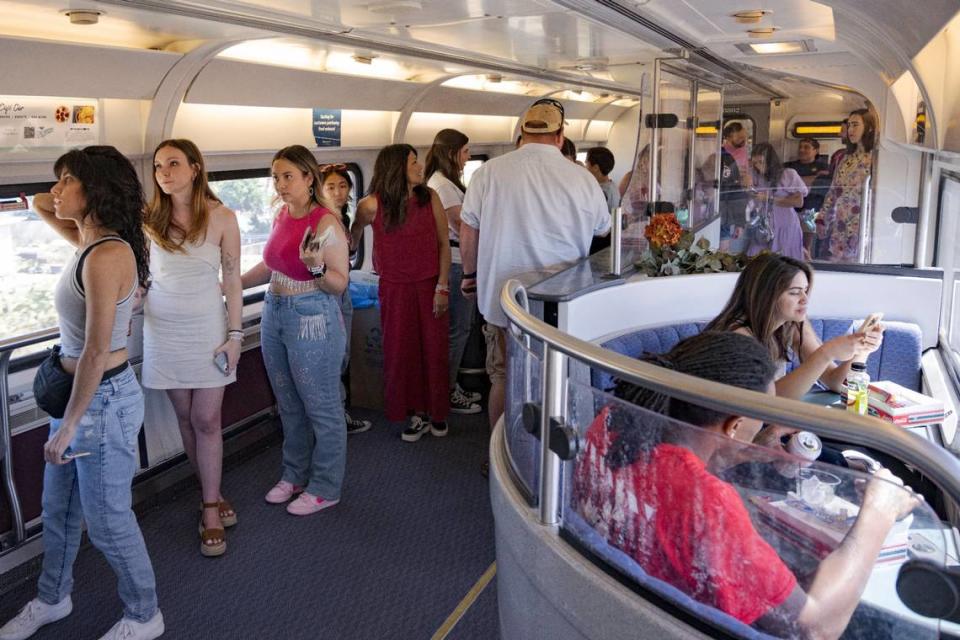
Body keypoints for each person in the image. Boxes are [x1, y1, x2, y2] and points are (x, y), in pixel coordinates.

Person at [573, 331, 921, 638]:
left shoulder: (612, 424)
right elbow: (815, 627)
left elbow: (663, 486)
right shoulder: (708, 504)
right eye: (760, 418)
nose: (765, 425)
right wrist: (879, 511)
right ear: (734, 425)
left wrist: (740, 453)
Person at [0, 147, 163, 640]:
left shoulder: (107, 254)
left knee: (108, 520)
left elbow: (96, 350)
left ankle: (144, 614)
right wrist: (62, 186)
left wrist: (69, 424)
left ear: (94, 190)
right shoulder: (88, 240)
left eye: (67, 180)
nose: (56, 190)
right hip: (83, 396)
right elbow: (41, 205)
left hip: (102, 401)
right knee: (60, 511)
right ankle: (53, 598)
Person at [460, 97, 610, 430]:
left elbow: (469, 225)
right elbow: (603, 229)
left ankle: (499, 454)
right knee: (554, 377)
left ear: (522, 133)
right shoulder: (583, 179)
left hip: (503, 299)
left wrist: (470, 275)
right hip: (559, 304)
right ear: (560, 136)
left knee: (501, 375)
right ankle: (546, 457)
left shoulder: (488, 172)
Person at [142, 139, 242, 557]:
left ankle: (210, 510)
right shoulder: (147, 219)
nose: (164, 172)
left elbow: (233, 279)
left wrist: (235, 336)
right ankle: (211, 493)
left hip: (206, 329)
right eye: (159, 166)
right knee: (185, 418)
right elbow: (139, 273)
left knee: (206, 418)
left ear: (196, 168)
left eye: (174, 164)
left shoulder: (222, 217)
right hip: (163, 330)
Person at [240, 145, 349, 516]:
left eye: (288, 176)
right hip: (276, 310)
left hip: (311, 315)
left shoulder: (324, 223)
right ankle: (295, 474)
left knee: (321, 406)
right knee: (288, 403)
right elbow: (272, 265)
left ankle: (326, 485)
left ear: (308, 178)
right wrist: (233, 286)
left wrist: (315, 267)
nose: (280, 185)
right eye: (276, 177)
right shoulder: (281, 216)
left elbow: (337, 284)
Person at [351, 144, 451, 442]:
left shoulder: (429, 197)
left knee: (433, 350)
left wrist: (442, 287)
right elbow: (353, 239)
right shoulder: (371, 205)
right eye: (413, 163)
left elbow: (444, 244)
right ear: (396, 168)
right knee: (400, 352)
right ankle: (415, 413)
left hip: (430, 285)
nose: (420, 167)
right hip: (394, 288)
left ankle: (437, 411)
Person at [705, 253, 882, 400]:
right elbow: (768, 402)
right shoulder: (737, 336)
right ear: (767, 296)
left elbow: (836, 383)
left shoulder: (792, 324)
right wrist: (827, 352)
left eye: (805, 290)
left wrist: (862, 348)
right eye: (795, 292)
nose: (805, 299)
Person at [424, 129, 483, 415]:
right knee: (457, 330)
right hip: (457, 262)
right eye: (465, 151)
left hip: (461, 259)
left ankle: (447, 386)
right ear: (451, 153)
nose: (468, 157)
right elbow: (462, 226)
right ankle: (445, 391)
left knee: (460, 328)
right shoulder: (442, 186)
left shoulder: (447, 183)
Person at [317, 163, 373, 435]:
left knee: (343, 355)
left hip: (343, 290)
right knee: (334, 355)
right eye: (331, 187)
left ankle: (337, 414)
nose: (338, 192)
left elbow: (350, 249)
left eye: (343, 186)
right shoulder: (321, 221)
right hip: (328, 293)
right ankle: (335, 418)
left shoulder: (343, 217)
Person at [818, 109, 877, 262]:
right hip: (841, 223)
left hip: (862, 224)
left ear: (869, 127)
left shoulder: (875, 159)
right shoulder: (846, 159)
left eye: (855, 125)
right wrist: (823, 218)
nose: (850, 130)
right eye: (849, 125)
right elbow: (833, 191)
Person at [745, 143, 806, 260]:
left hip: (785, 225)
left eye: (761, 162)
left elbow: (799, 202)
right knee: (756, 258)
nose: (758, 166)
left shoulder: (788, 174)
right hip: (762, 226)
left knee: (784, 261)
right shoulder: (754, 175)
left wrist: (770, 199)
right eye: (755, 163)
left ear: (770, 161)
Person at [785, 138, 833, 258]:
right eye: (800, 147)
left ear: (816, 150)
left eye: (806, 147)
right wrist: (813, 179)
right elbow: (785, 186)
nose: (802, 150)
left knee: (806, 247)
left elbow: (824, 187)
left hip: (811, 213)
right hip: (791, 212)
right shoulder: (789, 167)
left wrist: (799, 181)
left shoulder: (825, 168)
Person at [719, 123, 751, 252]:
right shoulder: (721, 154)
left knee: (725, 246)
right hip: (722, 201)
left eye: (745, 137)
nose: (744, 140)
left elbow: (741, 187)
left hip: (734, 202)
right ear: (729, 136)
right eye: (740, 137)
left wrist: (740, 221)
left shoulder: (743, 152)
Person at [585, 147, 620, 212]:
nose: (585, 167)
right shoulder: (612, 185)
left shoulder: (603, 191)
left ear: (595, 168)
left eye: (586, 163)